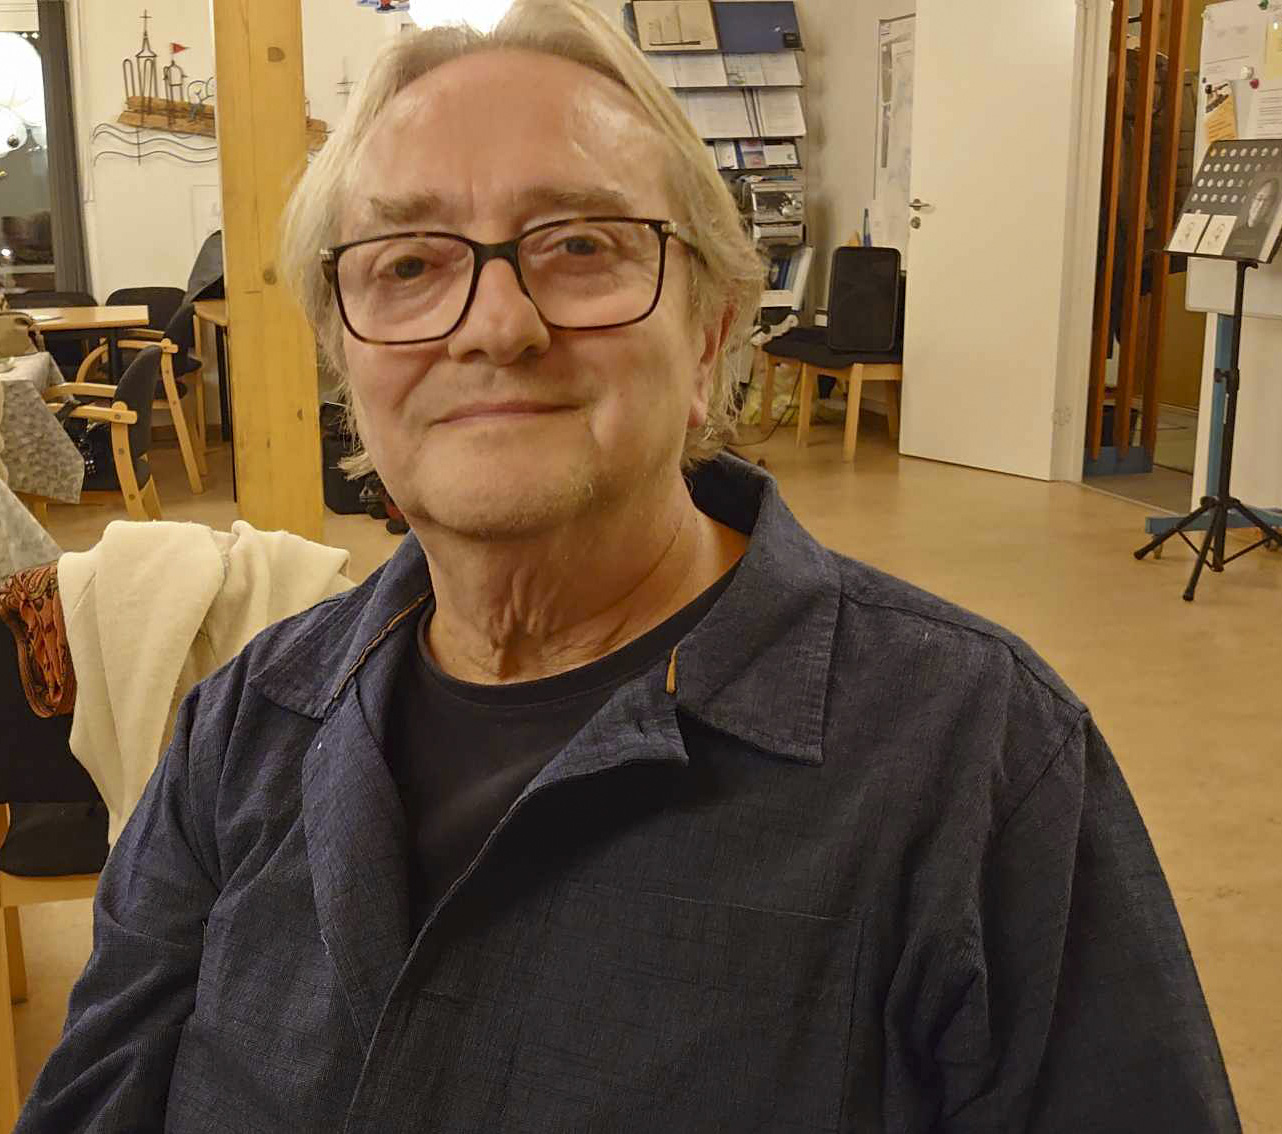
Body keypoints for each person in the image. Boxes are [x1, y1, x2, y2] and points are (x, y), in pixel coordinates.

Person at [18, 2, 1241, 1130]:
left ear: (709, 336)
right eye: (408, 265)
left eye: (580, 244)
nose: (497, 326)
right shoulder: (242, 725)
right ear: (349, 361)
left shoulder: (976, 757)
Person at [1223, 176, 1280, 260]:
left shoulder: (1269, 237)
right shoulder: (1233, 234)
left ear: (1271, 206)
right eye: (1259, 198)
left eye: (1267, 201)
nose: (1260, 205)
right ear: (1252, 200)